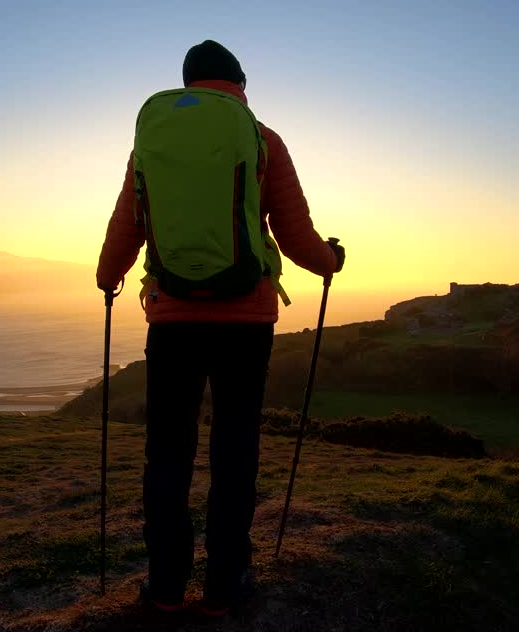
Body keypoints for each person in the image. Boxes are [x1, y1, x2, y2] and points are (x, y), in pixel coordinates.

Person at [96, 40, 344, 617]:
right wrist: (331, 260)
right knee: (235, 451)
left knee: (168, 451)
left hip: (173, 318)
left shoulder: (152, 143)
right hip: (245, 319)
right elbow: (293, 234)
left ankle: (163, 587)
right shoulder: (262, 140)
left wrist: (108, 277)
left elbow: (129, 221)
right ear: (240, 84)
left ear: (186, 84)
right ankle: (225, 585)